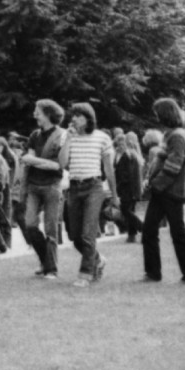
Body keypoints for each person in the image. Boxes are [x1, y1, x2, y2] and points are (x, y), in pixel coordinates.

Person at [141, 98, 185, 284]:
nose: (155, 116)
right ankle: (153, 273)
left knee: (177, 233)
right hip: (164, 190)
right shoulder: (172, 134)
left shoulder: (176, 136)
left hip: (170, 191)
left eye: (157, 112)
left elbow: (173, 167)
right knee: (151, 230)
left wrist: (155, 185)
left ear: (165, 113)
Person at [59, 102, 117, 287]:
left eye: (79, 115)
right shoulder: (67, 136)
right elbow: (61, 163)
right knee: (74, 235)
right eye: (73, 115)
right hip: (74, 187)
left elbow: (109, 169)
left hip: (94, 186)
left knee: (88, 233)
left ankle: (85, 274)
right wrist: (68, 139)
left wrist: (114, 195)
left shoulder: (102, 138)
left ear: (89, 118)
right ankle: (98, 260)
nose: (74, 119)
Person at [18, 100, 69, 280]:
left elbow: (59, 166)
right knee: (30, 225)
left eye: (37, 111)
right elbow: (30, 158)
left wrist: (33, 161)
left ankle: (52, 269)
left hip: (52, 186)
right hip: (33, 185)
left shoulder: (62, 135)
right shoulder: (34, 135)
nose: (34, 115)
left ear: (48, 114)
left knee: (51, 228)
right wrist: (38, 162)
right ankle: (44, 261)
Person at [114, 131, 145, 243]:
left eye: (122, 144)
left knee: (126, 211)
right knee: (130, 210)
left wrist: (118, 187)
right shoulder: (134, 155)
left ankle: (144, 229)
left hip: (127, 189)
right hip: (133, 189)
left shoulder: (127, 156)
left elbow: (125, 175)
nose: (119, 146)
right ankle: (131, 235)